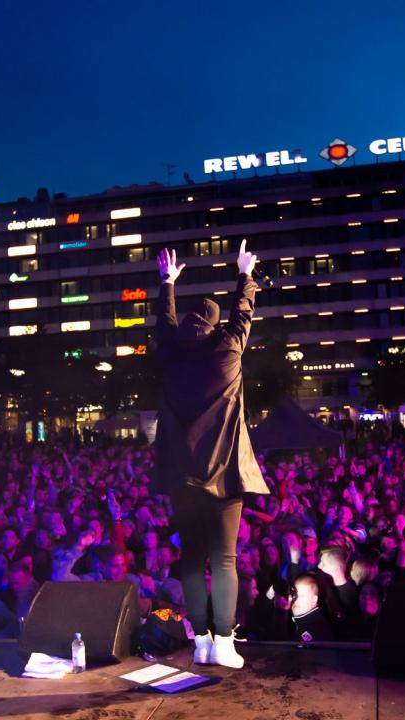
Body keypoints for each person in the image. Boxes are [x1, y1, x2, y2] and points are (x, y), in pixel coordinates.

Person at [153, 241, 269, 670]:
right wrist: (245, 275)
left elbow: (164, 323)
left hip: (182, 478)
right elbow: (244, 314)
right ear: (216, 325)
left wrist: (167, 283)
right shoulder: (228, 351)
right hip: (223, 474)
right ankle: (223, 641)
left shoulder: (169, 353)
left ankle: (200, 639)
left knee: (190, 559)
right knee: (223, 559)